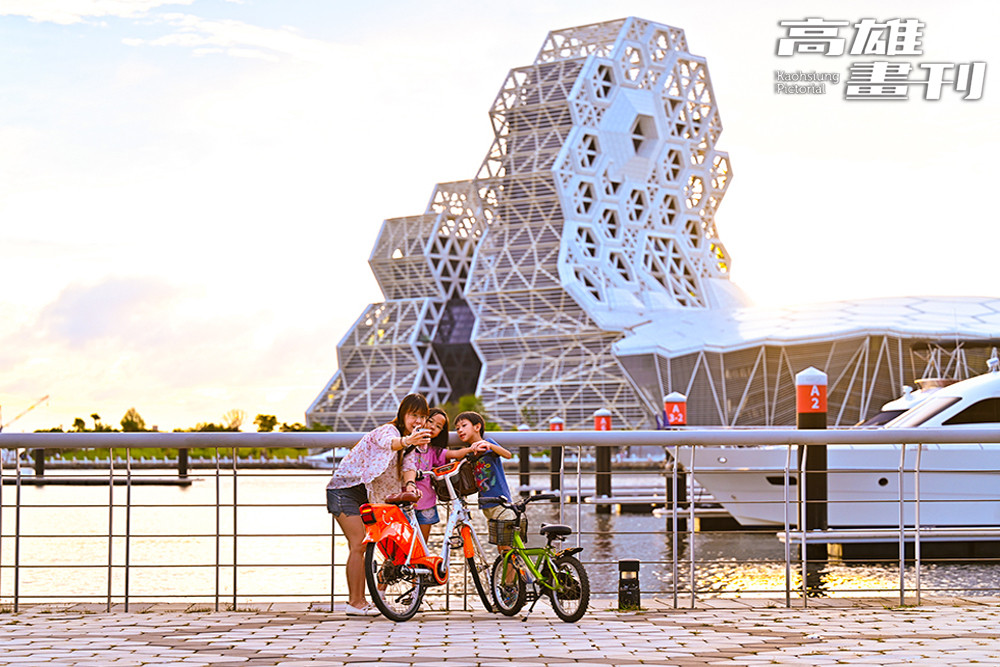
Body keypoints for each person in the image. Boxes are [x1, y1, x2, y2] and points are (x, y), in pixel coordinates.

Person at [325, 393, 431, 616]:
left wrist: (411, 485)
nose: (418, 422)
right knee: (359, 544)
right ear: (402, 414)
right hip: (345, 490)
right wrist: (407, 441)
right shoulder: (389, 431)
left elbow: (408, 467)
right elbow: (389, 445)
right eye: (413, 415)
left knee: (387, 544)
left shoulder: (412, 442)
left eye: (423, 417)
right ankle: (355, 603)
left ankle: (375, 597)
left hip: (370, 494)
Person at [454, 410, 515, 538]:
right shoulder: (469, 453)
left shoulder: (488, 443)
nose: (460, 430)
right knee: (499, 542)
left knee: (506, 543)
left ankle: (513, 559)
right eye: (457, 428)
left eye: (464, 426)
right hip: (486, 504)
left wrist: (490, 445)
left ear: (477, 427)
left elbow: (507, 455)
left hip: (501, 501)